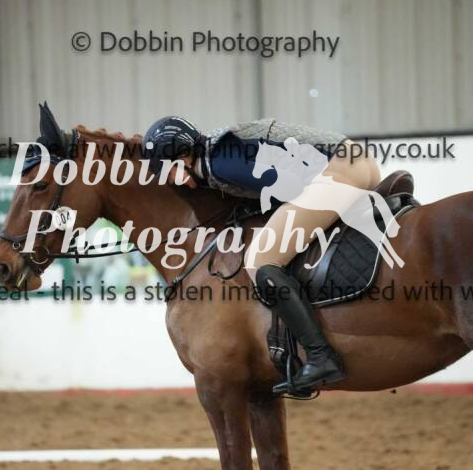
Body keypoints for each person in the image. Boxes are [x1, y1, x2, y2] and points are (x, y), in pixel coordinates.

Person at [142, 116, 382, 394]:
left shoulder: (218, 164)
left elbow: (286, 186)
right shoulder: (218, 152)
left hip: (339, 173)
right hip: (357, 163)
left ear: (182, 156)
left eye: (168, 172)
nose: (171, 181)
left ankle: (320, 356)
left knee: (261, 261)